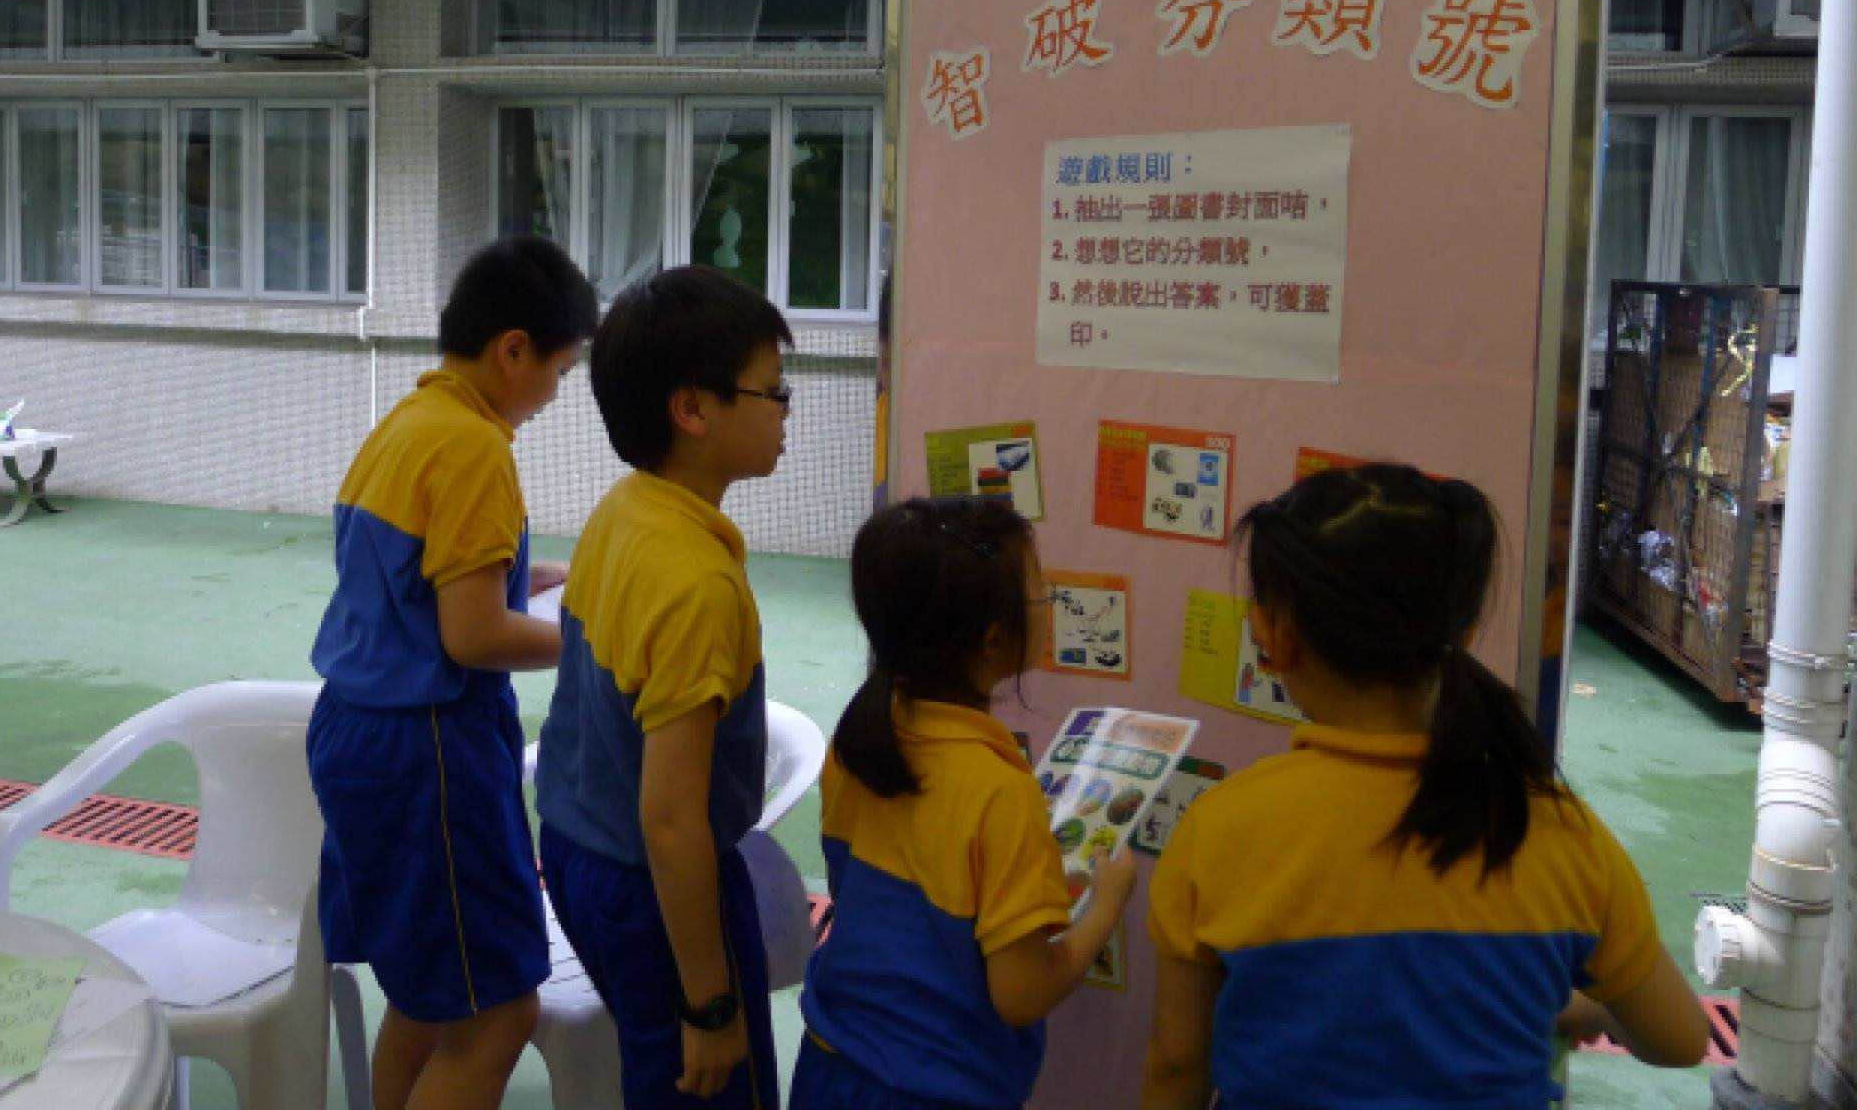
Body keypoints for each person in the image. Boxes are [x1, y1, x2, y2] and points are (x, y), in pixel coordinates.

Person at [1141, 464, 1710, 1110]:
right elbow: (1680, 1039)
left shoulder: (1220, 829)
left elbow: (1177, 1065)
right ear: (1464, 634)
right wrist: (1587, 1007)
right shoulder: (1557, 831)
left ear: (1272, 635)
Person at [306, 235, 599, 1110]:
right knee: (499, 1011)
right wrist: (598, 641)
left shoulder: (406, 424)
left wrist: (532, 578)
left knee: (428, 1000)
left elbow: (414, 581)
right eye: (559, 370)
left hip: (357, 733)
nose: (555, 394)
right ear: (513, 350)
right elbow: (471, 636)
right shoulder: (474, 446)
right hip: (427, 751)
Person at [535, 266, 795, 1107]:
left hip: (576, 849)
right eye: (773, 391)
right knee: (707, 1081)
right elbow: (673, 818)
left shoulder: (624, 510)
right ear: (692, 410)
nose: (785, 409)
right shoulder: (696, 584)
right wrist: (709, 1003)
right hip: (656, 886)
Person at [791, 496, 1138, 1110]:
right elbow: (1022, 995)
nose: (1048, 603)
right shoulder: (1000, 792)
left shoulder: (859, 736)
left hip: (827, 1064)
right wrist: (1106, 906)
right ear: (993, 640)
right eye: (1040, 592)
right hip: (936, 1091)